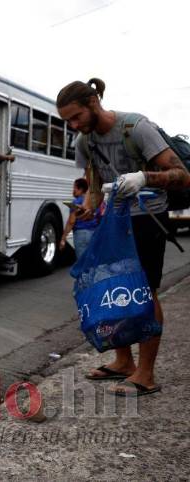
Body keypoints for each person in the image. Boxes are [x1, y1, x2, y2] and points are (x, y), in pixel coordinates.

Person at [57, 77, 190, 397]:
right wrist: (88, 208)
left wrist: (144, 177)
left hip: (148, 218)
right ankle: (123, 361)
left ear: (93, 103)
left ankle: (146, 374)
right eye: (67, 121)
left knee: (144, 292)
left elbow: (182, 176)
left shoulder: (136, 128)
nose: (73, 125)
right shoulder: (85, 141)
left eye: (76, 117)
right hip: (113, 221)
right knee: (114, 289)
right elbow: (94, 183)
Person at [59, 178, 100, 259]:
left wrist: (63, 238)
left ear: (80, 189)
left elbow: (71, 221)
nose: (73, 190)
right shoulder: (94, 202)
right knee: (92, 261)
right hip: (94, 233)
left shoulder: (76, 202)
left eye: (74, 188)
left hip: (81, 235)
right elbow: (99, 217)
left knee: (82, 262)